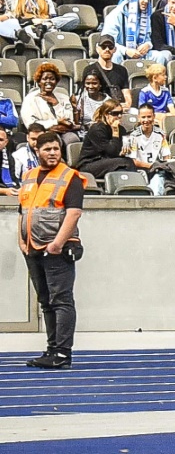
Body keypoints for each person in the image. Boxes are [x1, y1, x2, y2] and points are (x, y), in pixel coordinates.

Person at [18, 130, 85, 370]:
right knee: (46, 301)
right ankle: (52, 348)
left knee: (61, 300)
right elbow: (23, 211)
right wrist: (21, 241)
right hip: (33, 248)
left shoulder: (70, 177)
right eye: (47, 149)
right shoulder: (29, 176)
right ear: (38, 151)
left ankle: (62, 352)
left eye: (56, 149)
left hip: (57, 249)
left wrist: (57, 243)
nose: (53, 153)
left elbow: (74, 212)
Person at [75, 97, 137, 179]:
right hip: (90, 163)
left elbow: (119, 151)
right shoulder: (97, 129)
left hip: (109, 162)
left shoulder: (121, 129)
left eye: (121, 113)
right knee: (126, 163)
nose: (119, 116)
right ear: (106, 114)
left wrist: (123, 152)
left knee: (123, 169)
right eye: (115, 113)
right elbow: (111, 153)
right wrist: (115, 132)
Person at [21, 62, 80, 144]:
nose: (48, 82)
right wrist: (54, 124)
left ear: (56, 81)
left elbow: (69, 121)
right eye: (44, 79)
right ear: (39, 81)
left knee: (72, 139)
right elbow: (31, 124)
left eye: (52, 79)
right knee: (51, 140)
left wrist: (56, 104)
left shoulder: (64, 97)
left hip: (64, 132)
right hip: (41, 132)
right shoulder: (30, 99)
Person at [122, 102, 171, 194]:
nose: (146, 120)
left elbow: (166, 156)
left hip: (156, 171)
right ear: (139, 118)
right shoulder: (131, 136)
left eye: (149, 117)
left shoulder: (161, 135)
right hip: (138, 171)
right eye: (143, 117)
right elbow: (131, 161)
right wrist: (151, 165)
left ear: (154, 116)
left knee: (159, 180)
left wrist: (162, 165)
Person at [90, 34, 131, 107]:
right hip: (98, 107)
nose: (107, 49)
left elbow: (126, 93)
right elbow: (88, 96)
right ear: (97, 49)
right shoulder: (90, 70)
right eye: (103, 46)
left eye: (110, 47)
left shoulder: (122, 70)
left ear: (114, 49)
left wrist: (127, 104)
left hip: (119, 106)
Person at [0, 125, 17, 193]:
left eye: (0, 140)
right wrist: (4, 191)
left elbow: (13, 179)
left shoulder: (9, 157)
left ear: (6, 142)